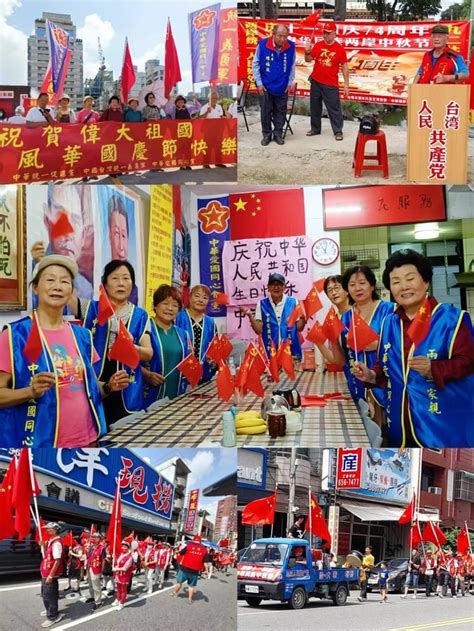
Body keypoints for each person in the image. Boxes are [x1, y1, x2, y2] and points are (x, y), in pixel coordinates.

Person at [353, 249, 474, 447]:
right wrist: (370, 375)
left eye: (410, 278)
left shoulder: (453, 319)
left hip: (442, 428)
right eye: (396, 281)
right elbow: (383, 368)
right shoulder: (389, 323)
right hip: (399, 425)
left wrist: (434, 369)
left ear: (425, 281)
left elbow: (469, 363)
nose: (404, 287)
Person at [0, 255, 113, 448]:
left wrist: (110, 386)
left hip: (90, 439)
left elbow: (91, 387)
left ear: (72, 291)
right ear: (35, 288)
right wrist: (30, 391)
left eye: (64, 281)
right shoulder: (14, 335)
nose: (58, 286)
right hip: (41, 445)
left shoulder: (82, 335)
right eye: (50, 279)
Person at [81, 260, 153, 426]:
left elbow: (148, 353)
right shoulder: (90, 308)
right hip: (95, 383)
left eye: (126, 278)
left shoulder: (140, 315)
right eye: (115, 278)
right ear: (105, 284)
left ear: (132, 285)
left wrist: (130, 348)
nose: (121, 283)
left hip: (127, 385)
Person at [329, 266, 394, 416]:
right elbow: (341, 361)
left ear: (372, 285)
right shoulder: (345, 318)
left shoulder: (390, 311)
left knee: (387, 432)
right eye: (352, 285)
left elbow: (404, 347)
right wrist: (332, 339)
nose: (357, 288)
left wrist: (377, 345)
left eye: (362, 283)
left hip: (385, 383)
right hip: (356, 385)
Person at [32, 185, 93, 301]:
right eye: (61, 217)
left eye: (75, 220)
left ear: (84, 235)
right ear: (46, 220)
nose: (69, 233)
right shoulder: (31, 273)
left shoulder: (86, 289)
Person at [143, 285, 191, 406]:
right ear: (155, 305)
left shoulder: (183, 334)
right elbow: (130, 362)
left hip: (177, 398)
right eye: (165, 303)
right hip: (148, 397)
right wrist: (147, 375)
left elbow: (188, 364)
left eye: (175, 305)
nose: (170, 308)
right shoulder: (145, 329)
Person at [241, 273, 306, 361]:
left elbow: (299, 328)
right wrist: (250, 316)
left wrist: (303, 318)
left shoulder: (293, 302)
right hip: (270, 355)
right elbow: (258, 330)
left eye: (279, 284)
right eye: (273, 285)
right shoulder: (262, 304)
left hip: (291, 353)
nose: (276, 287)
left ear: (284, 287)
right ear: (268, 287)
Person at [252, 24, 296, 146]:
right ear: (273, 35)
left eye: (285, 36)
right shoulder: (262, 45)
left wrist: (289, 82)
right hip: (265, 86)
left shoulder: (291, 46)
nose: (282, 39)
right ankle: (266, 135)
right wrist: (259, 83)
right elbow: (255, 64)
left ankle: (278, 134)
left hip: (282, 85)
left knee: (280, 111)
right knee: (265, 111)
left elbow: (292, 66)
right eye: (280, 36)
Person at [305, 22, 349, 141]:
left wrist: (346, 85)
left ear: (335, 33)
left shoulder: (339, 49)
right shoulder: (318, 45)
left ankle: (338, 131)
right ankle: (315, 128)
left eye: (329, 33)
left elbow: (345, 66)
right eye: (325, 33)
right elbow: (308, 60)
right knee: (315, 106)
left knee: (334, 108)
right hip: (316, 81)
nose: (326, 35)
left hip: (330, 84)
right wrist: (307, 52)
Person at [175, 284, 218, 383]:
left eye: (205, 298)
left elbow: (214, 349)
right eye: (197, 296)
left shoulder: (211, 322)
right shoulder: (178, 317)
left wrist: (213, 360)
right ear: (189, 298)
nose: (200, 300)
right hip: (181, 375)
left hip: (204, 374)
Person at [39, 522, 64, 628]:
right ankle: (49, 609)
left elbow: (57, 560)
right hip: (45, 571)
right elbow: (48, 556)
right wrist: (43, 546)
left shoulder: (57, 543)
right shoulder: (50, 541)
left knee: (50, 596)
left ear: (55, 530)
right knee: (45, 594)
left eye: (49, 529)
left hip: (50, 574)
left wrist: (51, 575)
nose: (47, 530)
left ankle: (53, 616)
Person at [171, 535, 207, 604]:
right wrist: (206, 571)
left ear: (193, 540)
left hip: (184, 568)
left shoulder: (188, 546)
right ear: (200, 541)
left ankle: (175, 593)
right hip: (195, 571)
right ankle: (190, 599)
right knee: (191, 586)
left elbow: (181, 553)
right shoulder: (204, 549)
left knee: (179, 582)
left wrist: (177, 551)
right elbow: (205, 561)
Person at [85, 532, 106, 610]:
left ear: (99, 539)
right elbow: (89, 556)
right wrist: (87, 551)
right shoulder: (91, 547)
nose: (93, 538)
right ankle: (92, 597)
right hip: (89, 567)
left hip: (96, 568)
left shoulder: (102, 548)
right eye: (92, 537)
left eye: (95, 537)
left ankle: (98, 602)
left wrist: (101, 571)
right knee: (90, 584)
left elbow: (103, 560)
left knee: (96, 586)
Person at [113, 541, 134, 611]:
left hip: (124, 575)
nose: (123, 547)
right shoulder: (120, 554)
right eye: (122, 546)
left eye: (125, 546)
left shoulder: (129, 556)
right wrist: (114, 562)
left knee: (123, 590)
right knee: (118, 589)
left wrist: (116, 568)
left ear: (128, 548)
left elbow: (125, 568)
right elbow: (117, 563)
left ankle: (121, 603)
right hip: (118, 574)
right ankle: (118, 600)